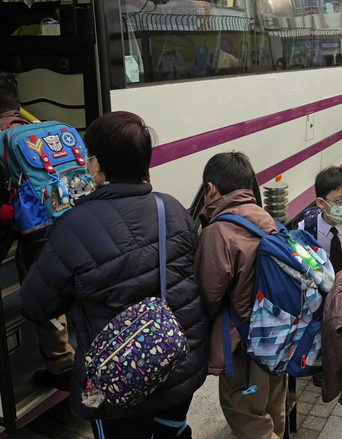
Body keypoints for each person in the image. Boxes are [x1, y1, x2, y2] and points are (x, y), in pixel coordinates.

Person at [20, 112, 208, 439]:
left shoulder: (74, 226)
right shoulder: (172, 208)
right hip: (179, 366)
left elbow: (36, 305)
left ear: (97, 165)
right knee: (172, 432)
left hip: (112, 385)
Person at [195, 152, 287, 439]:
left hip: (242, 342)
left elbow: (208, 295)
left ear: (210, 189)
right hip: (275, 334)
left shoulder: (219, 231)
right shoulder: (264, 217)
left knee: (244, 412)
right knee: (273, 405)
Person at [0, 72, 76, 391]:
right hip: (69, 221)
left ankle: (61, 366)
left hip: (38, 234)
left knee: (41, 294)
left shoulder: (3, 143)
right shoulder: (40, 129)